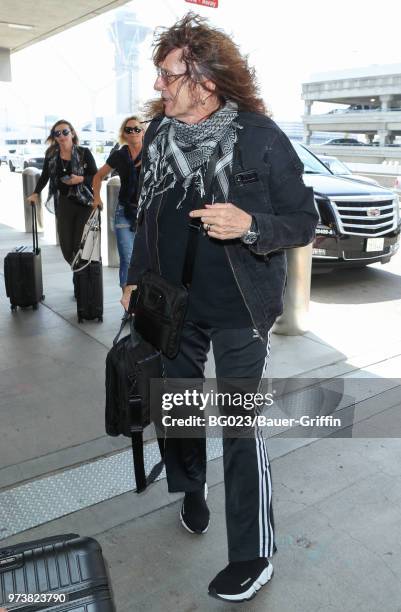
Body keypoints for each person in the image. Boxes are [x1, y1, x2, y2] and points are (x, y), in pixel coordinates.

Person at [121, 13, 318, 603]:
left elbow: (303, 222)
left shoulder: (260, 136)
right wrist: (135, 279)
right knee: (177, 413)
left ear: (204, 80)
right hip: (172, 303)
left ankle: (253, 555)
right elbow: (147, 217)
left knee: (240, 427)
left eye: (167, 73)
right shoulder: (158, 135)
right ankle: (189, 486)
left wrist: (252, 224)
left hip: (241, 305)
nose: (158, 84)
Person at [28, 120, 98, 266]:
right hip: (64, 202)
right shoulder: (51, 155)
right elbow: (45, 176)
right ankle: (77, 270)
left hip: (84, 202)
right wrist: (35, 193)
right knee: (66, 245)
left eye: (65, 132)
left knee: (80, 243)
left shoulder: (83, 153)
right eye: (57, 133)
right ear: (54, 137)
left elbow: (96, 177)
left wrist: (80, 179)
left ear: (72, 133)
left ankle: (81, 279)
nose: (62, 136)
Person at [92, 116, 144, 289]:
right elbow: (98, 176)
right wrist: (97, 197)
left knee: (148, 260)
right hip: (125, 211)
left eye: (137, 129)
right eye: (129, 130)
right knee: (127, 258)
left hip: (147, 212)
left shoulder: (152, 152)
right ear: (124, 134)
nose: (133, 132)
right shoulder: (119, 155)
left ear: (143, 132)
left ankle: (144, 305)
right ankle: (128, 306)